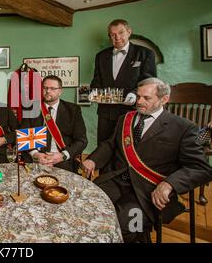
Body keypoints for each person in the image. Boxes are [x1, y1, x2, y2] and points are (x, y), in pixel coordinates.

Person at [82, 78, 212, 243]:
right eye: (138, 96)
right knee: (85, 208)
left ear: (163, 99)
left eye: (146, 98)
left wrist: (169, 184)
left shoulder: (183, 127)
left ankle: (138, 236)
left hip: (147, 190)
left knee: (124, 226)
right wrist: (93, 160)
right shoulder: (125, 118)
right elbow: (110, 145)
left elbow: (201, 168)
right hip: (114, 181)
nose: (139, 102)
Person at [90, 19, 157, 144]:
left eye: (121, 33)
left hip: (131, 111)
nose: (117, 37)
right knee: (103, 147)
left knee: (127, 147)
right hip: (105, 112)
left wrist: (134, 93)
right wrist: (93, 91)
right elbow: (97, 79)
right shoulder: (101, 56)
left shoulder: (145, 53)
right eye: (113, 34)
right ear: (109, 36)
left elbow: (149, 82)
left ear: (129, 32)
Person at [21, 75, 88, 172]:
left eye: (52, 88)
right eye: (45, 88)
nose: (48, 91)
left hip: (62, 160)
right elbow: (25, 136)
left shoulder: (73, 110)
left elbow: (82, 140)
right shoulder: (31, 108)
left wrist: (62, 155)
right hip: (35, 159)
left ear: (60, 91)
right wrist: (36, 154)